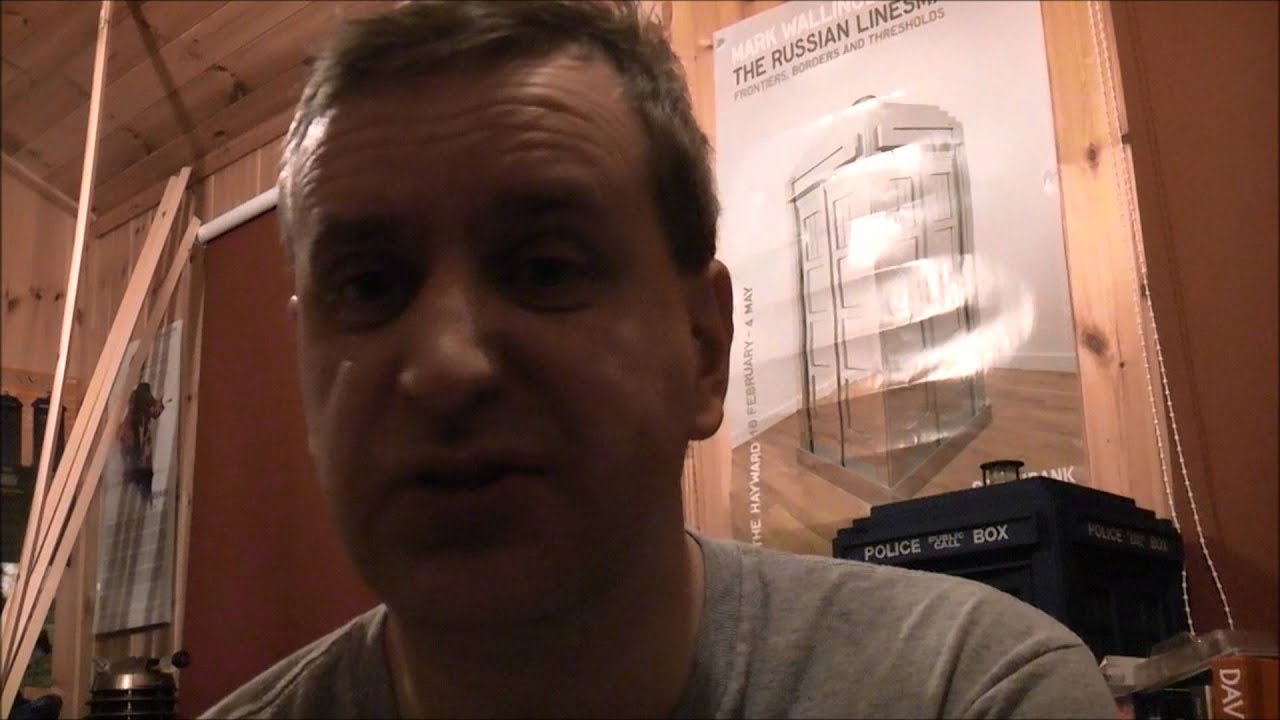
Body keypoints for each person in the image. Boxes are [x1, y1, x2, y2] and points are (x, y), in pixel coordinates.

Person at [203, 2, 1117, 717]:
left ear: (703, 348)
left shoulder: (973, 691)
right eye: (368, 286)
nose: (445, 366)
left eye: (546, 268)